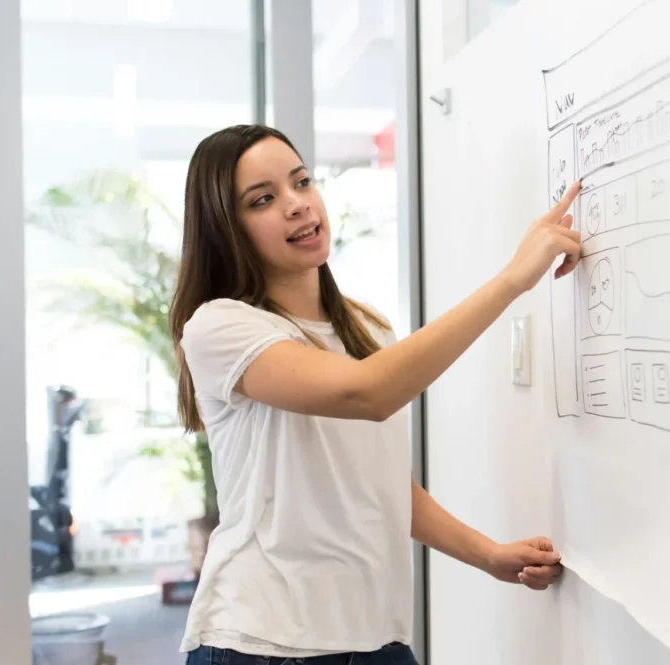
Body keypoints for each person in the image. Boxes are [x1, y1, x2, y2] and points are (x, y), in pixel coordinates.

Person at [170, 124, 582, 665]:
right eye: (263, 199)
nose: (296, 205)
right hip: (264, 641)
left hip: (375, 638)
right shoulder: (220, 327)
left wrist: (488, 555)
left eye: (301, 182)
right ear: (226, 228)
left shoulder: (366, 330)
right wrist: (512, 280)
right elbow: (368, 394)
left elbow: (377, 483)